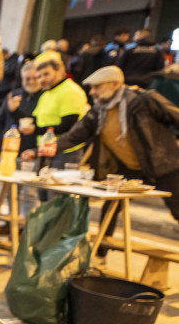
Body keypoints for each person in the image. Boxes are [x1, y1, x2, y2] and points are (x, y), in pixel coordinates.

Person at [56, 66, 179, 244]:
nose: (92, 92)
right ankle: (100, 253)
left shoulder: (143, 100)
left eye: (97, 87)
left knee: (177, 209)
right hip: (130, 168)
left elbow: (175, 116)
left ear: (115, 84)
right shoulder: (99, 110)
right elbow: (77, 135)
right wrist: (49, 148)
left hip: (163, 164)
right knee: (111, 206)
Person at [21, 52, 89, 171]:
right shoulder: (46, 94)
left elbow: (68, 126)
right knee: (39, 188)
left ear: (60, 71)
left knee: (55, 189)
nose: (42, 79)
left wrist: (35, 130)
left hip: (65, 152)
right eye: (39, 76)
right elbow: (38, 121)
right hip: (44, 150)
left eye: (46, 74)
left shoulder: (70, 91)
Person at [0, 61, 43, 154]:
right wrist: (1, 142)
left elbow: (36, 122)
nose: (31, 82)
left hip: (30, 151)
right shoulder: (13, 95)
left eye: (35, 78)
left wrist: (15, 111)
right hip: (8, 149)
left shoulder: (45, 97)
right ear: (22, 79)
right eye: (27, 79)